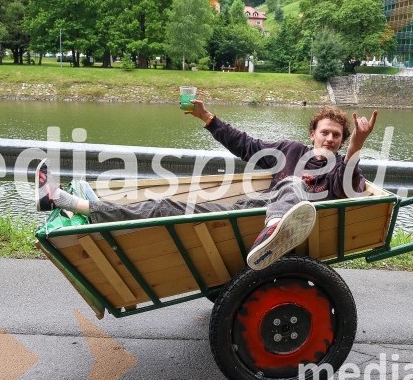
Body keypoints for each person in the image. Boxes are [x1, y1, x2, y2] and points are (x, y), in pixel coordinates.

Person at [36, 101, 378, 270]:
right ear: (312, 133)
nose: (330, 139)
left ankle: (277, 228)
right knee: (166, 206)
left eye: (337, 135)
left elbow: (351, 189)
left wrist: (356, 146)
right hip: (258, 210)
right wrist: (207, 118)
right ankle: (70, 203)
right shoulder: (290, 149)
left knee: (293, 185)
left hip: (303, 219)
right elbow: (245, 144)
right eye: (325, 132)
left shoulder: (341, 167)